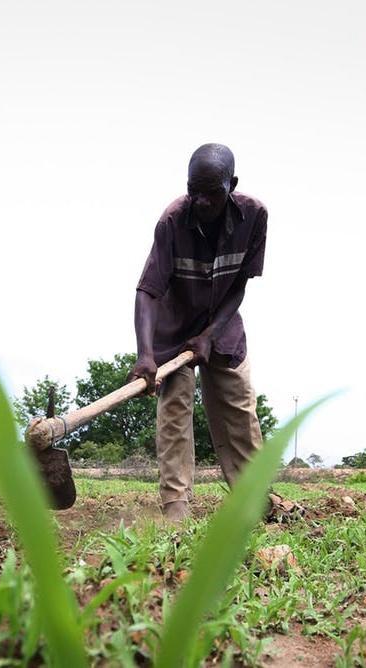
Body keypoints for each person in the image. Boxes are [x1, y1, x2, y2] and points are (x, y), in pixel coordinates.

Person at [129, 143, 268, 521]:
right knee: (174, 411)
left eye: (211, 192)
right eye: (193, 190)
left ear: (231, 184)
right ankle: (176, 510)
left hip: (222, 328)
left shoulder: (254, 216)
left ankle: (255, 503)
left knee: (239, 413)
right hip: (173, 330)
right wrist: (146, 354)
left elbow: (240, 283)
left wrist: (210, 334)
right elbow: (148, 290)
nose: (200, 200)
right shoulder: (173, 220)